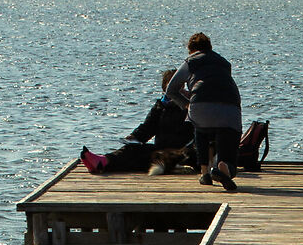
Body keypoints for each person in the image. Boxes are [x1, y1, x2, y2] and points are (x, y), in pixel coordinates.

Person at [78, 69, 198, 176]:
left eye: (181, 87)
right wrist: (134, 136)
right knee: (131, 149)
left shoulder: (191, 107)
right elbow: (147, 128)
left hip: (182, 151)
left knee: (147, 158)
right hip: (160, 149)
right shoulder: (160, 106)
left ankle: (102, 164)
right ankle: (103, 161)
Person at [167, 33, 243, 190]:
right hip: (230, 107)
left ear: (191, 49)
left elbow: (171, 89)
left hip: (201, 107)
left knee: (200, 129)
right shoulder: (224, 63)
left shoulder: (191, 61)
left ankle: (205, 174)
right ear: (210, 47)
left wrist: (186, 105)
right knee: (227, 137)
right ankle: (223, 166)